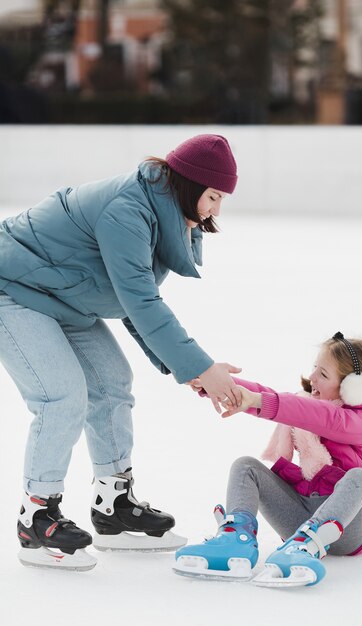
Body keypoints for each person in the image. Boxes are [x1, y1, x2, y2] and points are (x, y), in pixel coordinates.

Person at [0, 134, 242, 571]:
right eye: (213, 197)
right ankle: (36, 518)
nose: (215, 211)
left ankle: (114, 506)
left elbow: (133, 300)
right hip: (14, 288)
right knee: (61, 397)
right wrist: (202, 367)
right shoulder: (128, 211)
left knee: (112, 384)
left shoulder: (162, 212)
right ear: (188, 184)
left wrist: (185, 369)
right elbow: (141, 302)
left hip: (63, 297)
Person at [174, 332, 362, 587]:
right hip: (300, 517)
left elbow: (322, 418)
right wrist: (218, 383)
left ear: (353, 388)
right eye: (315, 368)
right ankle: (236, 540)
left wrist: (258, 402)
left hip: (351, 529)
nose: (312, 377)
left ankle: (307, 545)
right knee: (246, 466)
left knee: (360, 478)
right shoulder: (308, 404)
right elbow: (284, 401)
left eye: (323, 374)